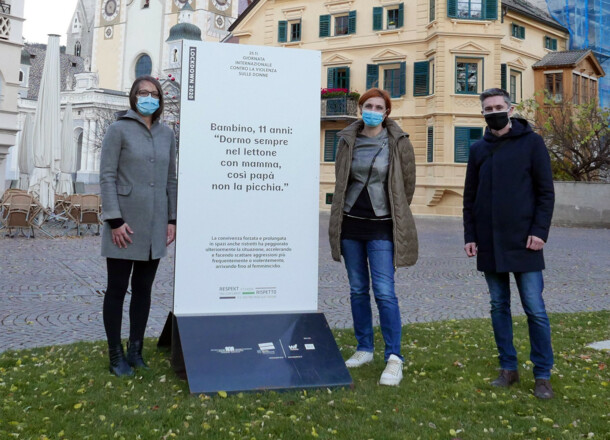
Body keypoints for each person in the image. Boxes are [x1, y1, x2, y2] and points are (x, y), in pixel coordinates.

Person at [463, 88, 555, 399]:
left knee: (535, 309)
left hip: (526, 242)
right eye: (488, 108)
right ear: (483, 114)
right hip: (489, 241)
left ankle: (542, 374)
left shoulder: (533, 143)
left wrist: (540, 231)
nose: (494, 112)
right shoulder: (478, 149)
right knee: (498, 306)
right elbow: (469, 197)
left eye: (499, 106)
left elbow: (545, 193)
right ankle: (508, 369)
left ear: (511, 109)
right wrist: (470, 236)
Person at [329, 88, 418, 386]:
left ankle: (394, 358)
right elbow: (342, 180)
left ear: (386, 112)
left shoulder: (399, 143)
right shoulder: (346, 140)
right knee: (357, 289)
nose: (373, 110)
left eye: (379, 106)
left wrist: (394, 213)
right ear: (360, 108)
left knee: (384, 291)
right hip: (351, 224)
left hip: (382, 225)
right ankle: (364, 347)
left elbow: (407, 186)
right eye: (368, 105)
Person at [100, 75, 178, 376]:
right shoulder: (118, 129)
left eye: (154, 93)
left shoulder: (166, 134)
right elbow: (107, 176)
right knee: (117, 289)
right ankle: (115, 354)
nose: (149, 97)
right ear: (133, 97)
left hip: (155, 224)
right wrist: (115, 220)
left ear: (160, 99)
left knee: (143, 289)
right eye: (143, 93)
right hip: (124, 223)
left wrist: (172, 220)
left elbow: (171, 179)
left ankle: (135, 350)